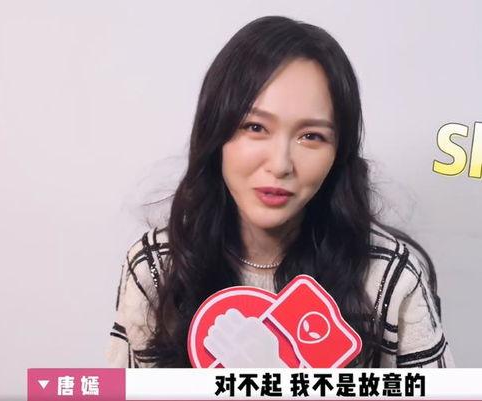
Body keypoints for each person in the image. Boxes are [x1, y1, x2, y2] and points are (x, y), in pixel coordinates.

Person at [106, 15, 455, 368]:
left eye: (311, 136)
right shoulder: (157, 267)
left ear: (339, 153)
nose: (280, 164)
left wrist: (279, 375)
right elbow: (118, 388)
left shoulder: (389, 277)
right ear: (216, 133)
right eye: (255, 127)